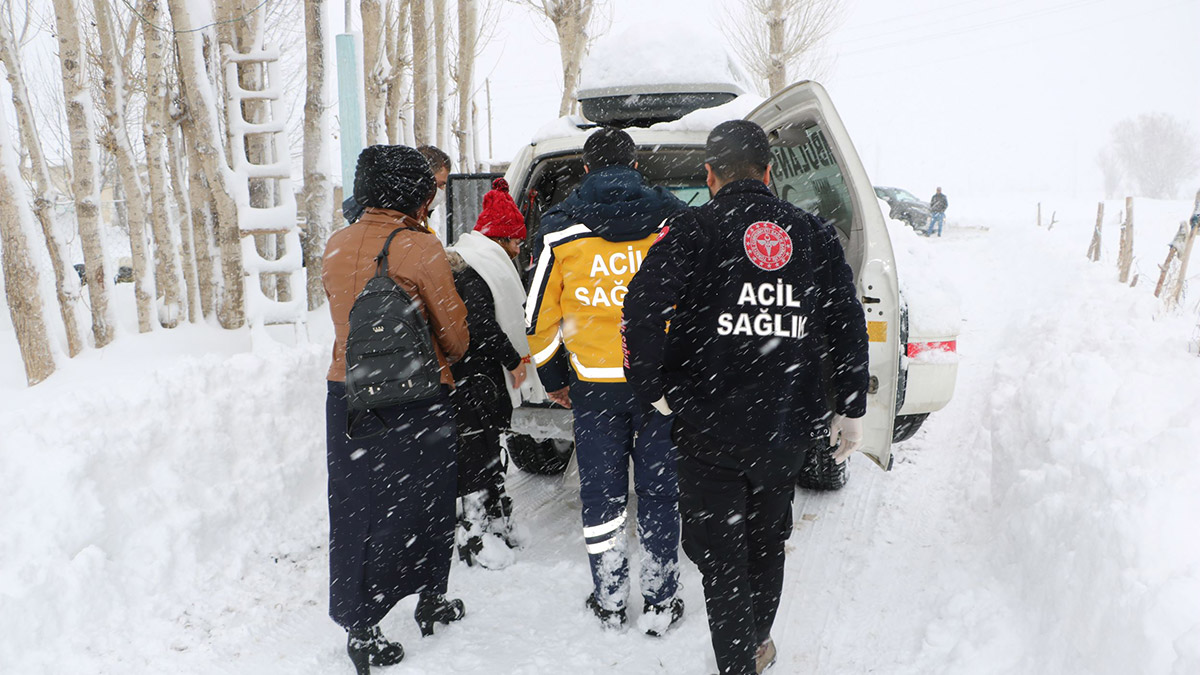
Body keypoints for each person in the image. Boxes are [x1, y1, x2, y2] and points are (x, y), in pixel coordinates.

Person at [621, 120, 871, 675]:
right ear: (768, 172)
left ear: (710, 174)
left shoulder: (692, 229)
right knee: (766, 541)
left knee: (721, 556)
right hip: (783, 424)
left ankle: (738, 660)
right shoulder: (812, 232)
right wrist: (852, 406)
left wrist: (652, 389)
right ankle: (756, 643)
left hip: (708, 425)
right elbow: (846, 319)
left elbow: (640, 309)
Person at [525, 127, 687, 635]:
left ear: (587, 169)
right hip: (659, 385)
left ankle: (611, 599)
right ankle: (660, 601)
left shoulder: (559, 227)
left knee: (602, 496)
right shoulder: (672, 220)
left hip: (594, 389)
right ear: (636, 166)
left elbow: (538, 316)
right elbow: (696, 298)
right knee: (660, 494)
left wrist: (554, 375)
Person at [322, 145, 470, 674]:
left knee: (359, 509)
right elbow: (455, 337)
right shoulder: (419, 247)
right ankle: (431, 598)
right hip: (416, 397)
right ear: (414, 193)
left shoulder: (336, 244)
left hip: (350, 395)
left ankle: (361, 627)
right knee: (427, 504)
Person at [446, 178, 546, 569]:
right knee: (477, 453)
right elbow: (482, 326)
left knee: (486, 449)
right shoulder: (476, 271)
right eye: (516, 241)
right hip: (473, 379)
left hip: (475, 377)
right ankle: (474, 537)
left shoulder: (476, 263)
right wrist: (514, 360)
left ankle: (495, 520)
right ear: (500, 239)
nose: (519, 249)